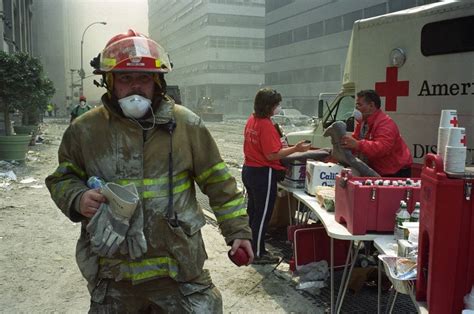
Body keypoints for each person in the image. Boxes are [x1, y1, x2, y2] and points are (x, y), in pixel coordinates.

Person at [45, 29, 253, 312]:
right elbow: (62, 177)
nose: (135, 87)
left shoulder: (186, 125)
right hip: (114, 274)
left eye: (143, 78)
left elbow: (218, 182)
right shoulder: (84, 130)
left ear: (157, 82)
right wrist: (78, 198)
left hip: (179, 272)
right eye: (125, 78)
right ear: (109, 81)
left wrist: (237, 231)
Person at [242, 88, 310, 264]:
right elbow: (272, 155)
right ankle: (257, 254)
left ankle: (251, 247)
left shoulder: (252, 120)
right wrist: (296, 149)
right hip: (262, 174)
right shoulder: (265, 125)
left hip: (249, 170)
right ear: (269, 106)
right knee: (262, 216)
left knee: (253, 212)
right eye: (276, 104)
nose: (278, 107)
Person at [341, 89, 412, 177]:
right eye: (356, 105)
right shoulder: (362, 123)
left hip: (395, 172)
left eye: (359, 105)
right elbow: (356, 139)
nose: (356, 108)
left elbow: (382, 147)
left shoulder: (385, 123)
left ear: (371, 105)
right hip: (379, 169)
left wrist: (357, 145)